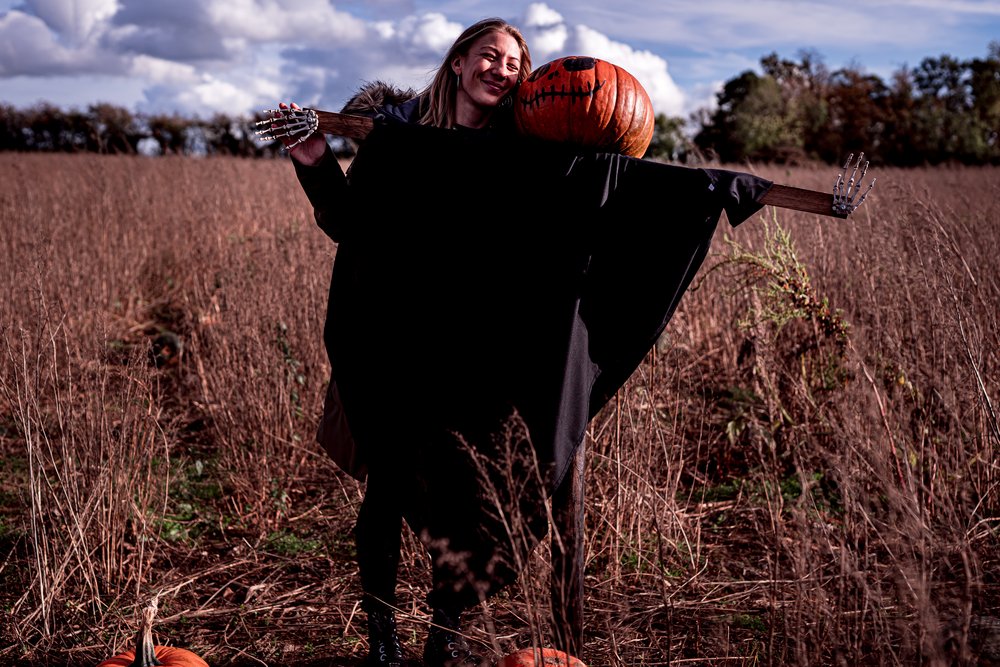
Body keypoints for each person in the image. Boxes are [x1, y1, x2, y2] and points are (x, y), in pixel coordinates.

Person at [277, 17, 534, 667]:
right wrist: (313, 161)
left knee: (464, 489)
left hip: (469, 346)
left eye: (514, 63)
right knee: (388, 484)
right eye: (489, 56)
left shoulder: (522, 148)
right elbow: (346, 222)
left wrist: (710, 192)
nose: (501, 70)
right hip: (382, 337)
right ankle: (383, 638)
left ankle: (444, 631)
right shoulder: (395, 132)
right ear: (458, 62)